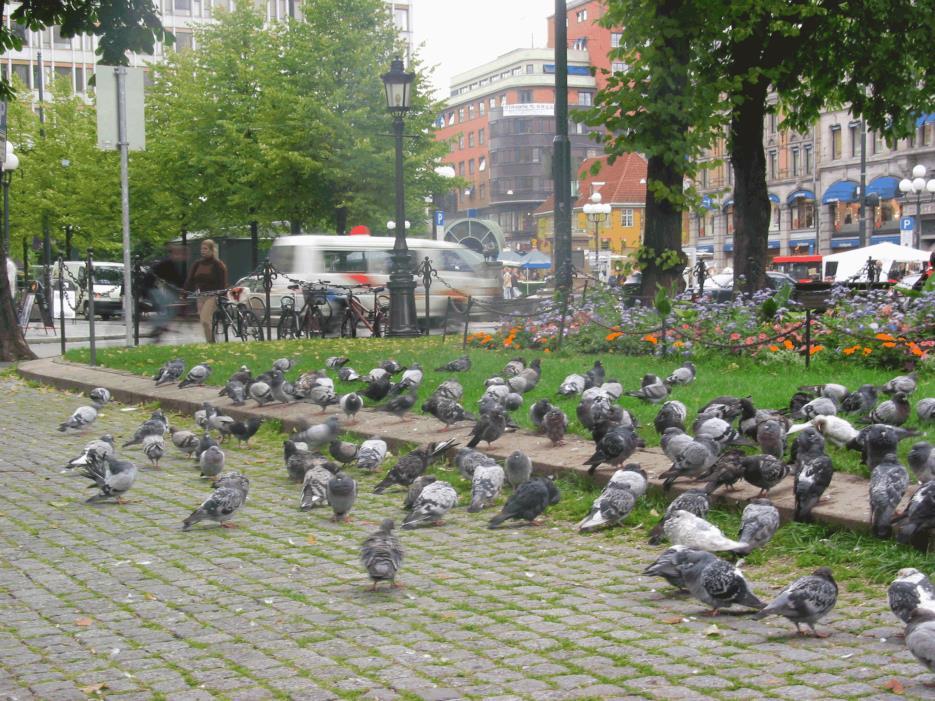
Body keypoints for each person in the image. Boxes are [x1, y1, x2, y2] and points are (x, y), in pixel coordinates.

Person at [184, 239, 228, 343]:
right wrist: (184, 293)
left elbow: (223, 282)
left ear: (212, 250)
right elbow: (190, 279)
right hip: (201, 295)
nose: (203, 251)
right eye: (201, 249)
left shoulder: (218, 264)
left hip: (213, 296)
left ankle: (211, 344)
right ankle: (210, 341)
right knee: (204, 321)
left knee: (205, 321)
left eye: (205, 249)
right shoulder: (197, 264)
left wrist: (221, 294)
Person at [146, 243, 187, 339]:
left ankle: (159, 326)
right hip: (152, 287)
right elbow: (176, 278)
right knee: (167, 307)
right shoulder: (169, 263)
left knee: (168, 306)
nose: (183, 258)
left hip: (154, 287)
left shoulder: (168, 262)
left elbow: (174, 279)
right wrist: (184, 289)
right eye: (182, 255)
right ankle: (156, 323)